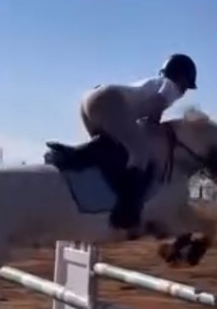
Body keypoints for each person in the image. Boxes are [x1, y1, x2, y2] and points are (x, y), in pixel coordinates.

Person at [78, 53, 198, 229]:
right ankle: (127, 209)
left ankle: (75, 157)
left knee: (111, 149)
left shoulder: (154, 82)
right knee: (140, 152)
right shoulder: (171, 87)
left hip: (90, 100)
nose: (185, 90)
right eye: (187, 85)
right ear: (181, 77)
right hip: (110, 101)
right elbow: (155, 109)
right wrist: (157, 127)